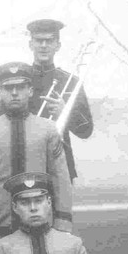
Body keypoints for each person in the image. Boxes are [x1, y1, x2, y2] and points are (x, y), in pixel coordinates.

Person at [0, 62, 72, 248]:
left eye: (20, 87)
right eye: (8, 88)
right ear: (0, 92)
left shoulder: (47, 129)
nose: (14, 93)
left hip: (39, 221)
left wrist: (63, 221)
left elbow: (60, 177)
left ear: (30, 90)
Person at [25, 19, 93, 181]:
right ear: (31, 44)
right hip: (23, 163)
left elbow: (86, 130)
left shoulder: (71, 81)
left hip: (60, 164)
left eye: (49, 40)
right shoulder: (18, 79)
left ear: (58, 46)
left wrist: (66, 112)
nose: (43, 45)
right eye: (39, 40)